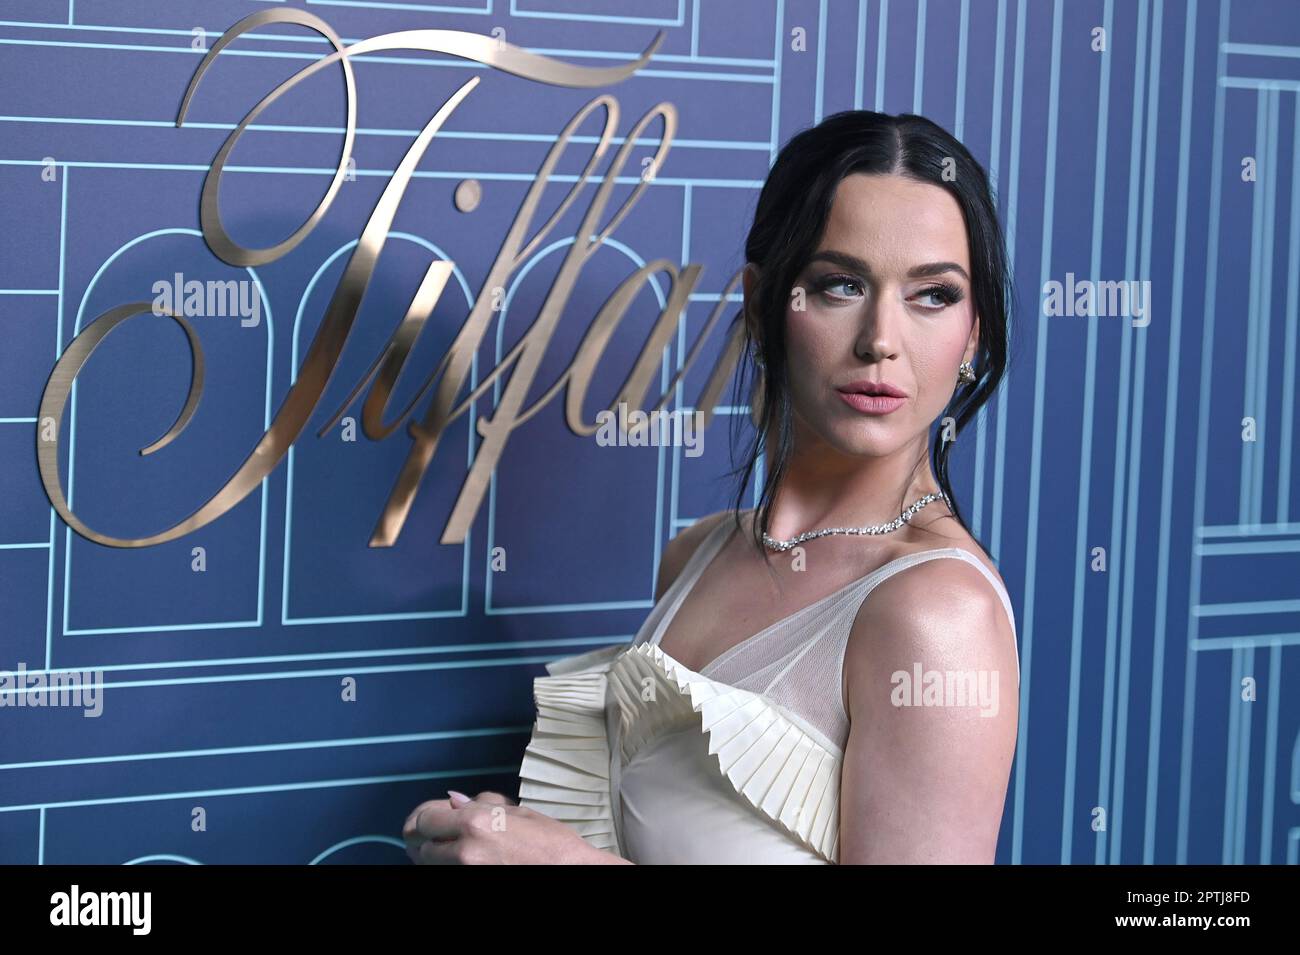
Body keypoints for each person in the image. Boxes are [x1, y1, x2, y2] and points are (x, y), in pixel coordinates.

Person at [402, 109, 1021, 864]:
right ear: (764, 302)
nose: (882, 340)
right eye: (840, 284)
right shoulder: (698, 553)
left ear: (976, 331)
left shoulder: (935, 614)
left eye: (933, 295)